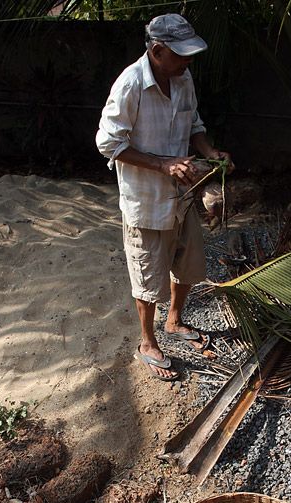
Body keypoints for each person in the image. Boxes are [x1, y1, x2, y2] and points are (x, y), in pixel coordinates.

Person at [96, 13, 233, 380]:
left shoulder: (182, 77)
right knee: (147, 275)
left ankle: (174, 320)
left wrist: (210, 150)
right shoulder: (129, 86)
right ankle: (147, 342)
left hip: (182, 195)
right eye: (181, 54)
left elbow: (195, 125)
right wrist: (162, 165)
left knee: (187, 263)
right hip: (146, 199)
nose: (188, 61)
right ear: (157, 51)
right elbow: (108, 143)